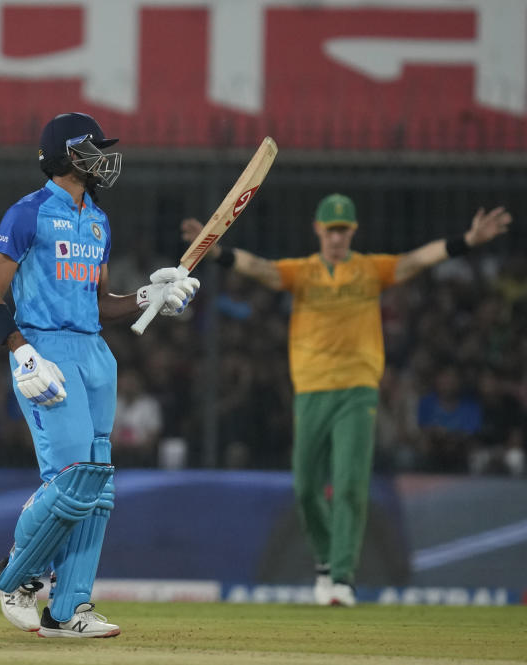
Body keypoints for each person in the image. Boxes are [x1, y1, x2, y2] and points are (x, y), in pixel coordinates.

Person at [181, 193, 512, 606]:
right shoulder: (302, 273)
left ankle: (342, 577)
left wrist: (467, 239)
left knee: (351, 485)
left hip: (357, 390)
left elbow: (417, 260)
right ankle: (325, 562)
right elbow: (261, 269)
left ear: (352, 232)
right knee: (305, 488)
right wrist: (216, 251)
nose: (337, 237)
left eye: (343, 230)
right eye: (331, 230)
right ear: (318, 230)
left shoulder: (370, 270)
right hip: (312, 389)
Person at [0, 112, 199, 638]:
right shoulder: (26, 214)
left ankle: (67, 609)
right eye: (92, 148)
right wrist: (20, 351)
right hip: (45, 350)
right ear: (65, 155)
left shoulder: (97, 219)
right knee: (73, 480)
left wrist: (152, 296)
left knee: (98, 489)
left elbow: (100, 305)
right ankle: (15, 577)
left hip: (94, 352)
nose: (103, 157)